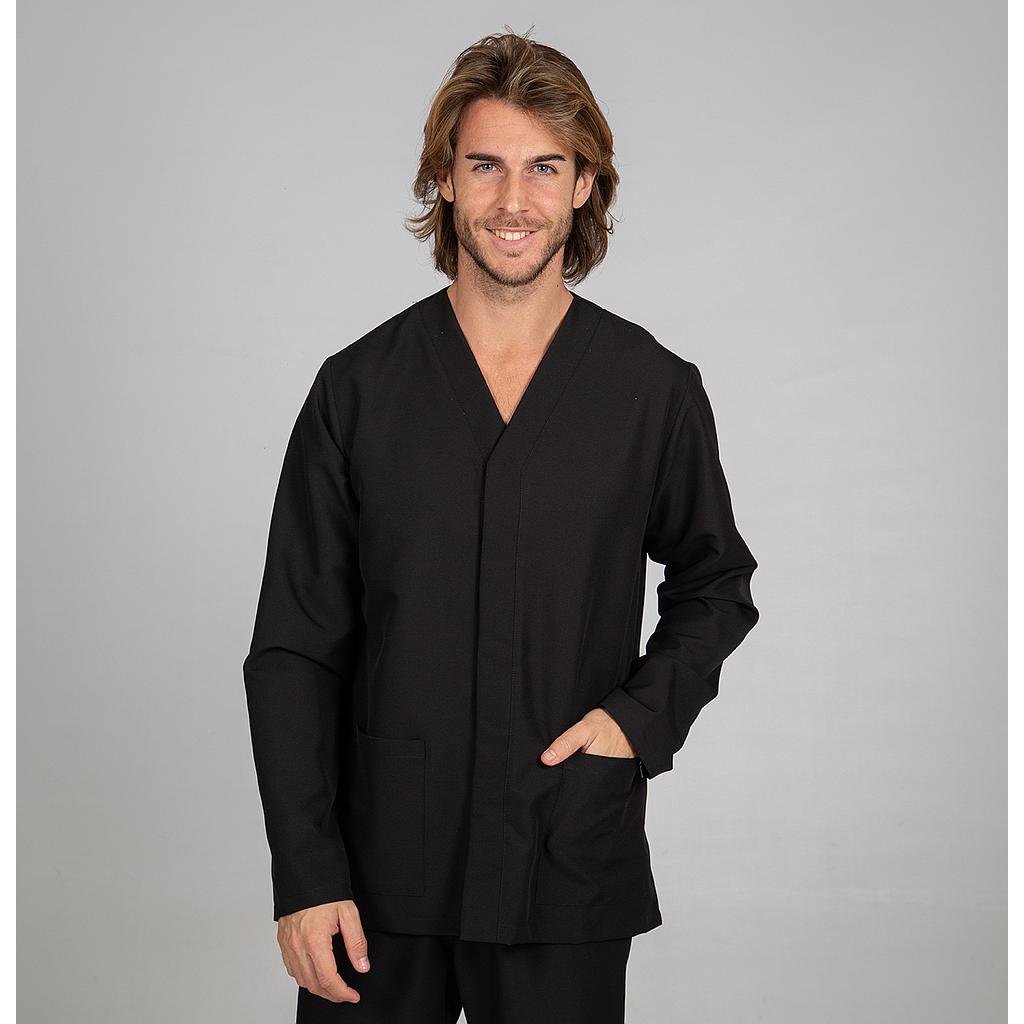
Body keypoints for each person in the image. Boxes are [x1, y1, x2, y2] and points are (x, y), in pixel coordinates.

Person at [242, 28, 760, 1024]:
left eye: (543, 168)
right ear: (443, 180)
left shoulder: (650, 392)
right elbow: (294, 648)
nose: (512, 200)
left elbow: (715, 583)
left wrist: (637, 719)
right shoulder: (359, 391)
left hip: (563, 858)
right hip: (378, 871)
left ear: (584, 184)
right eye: (484, 166)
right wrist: (306, 873)